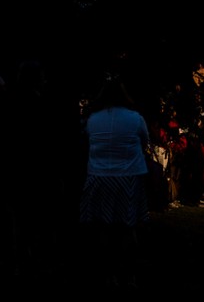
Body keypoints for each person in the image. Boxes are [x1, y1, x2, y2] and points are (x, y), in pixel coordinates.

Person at [79, 76, 150, 294]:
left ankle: (107, 275)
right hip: (128, 176)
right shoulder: (135, 118)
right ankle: (128, 275)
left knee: (102, 227)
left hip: (99, 176)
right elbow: (145, 141)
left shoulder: (92, 119)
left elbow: (85, 141)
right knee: (128, 227)